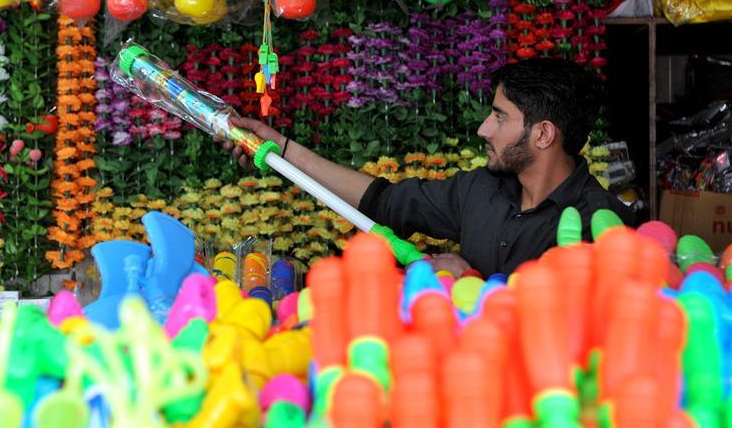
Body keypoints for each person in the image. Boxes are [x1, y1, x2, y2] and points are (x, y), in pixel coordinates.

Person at [218, 57, 633, 277]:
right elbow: (383, 202)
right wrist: (283, 149)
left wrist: (471, 284)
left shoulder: (601, 224)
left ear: (543, 134)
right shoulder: (480, 189)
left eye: (500, 117)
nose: (483, 128)